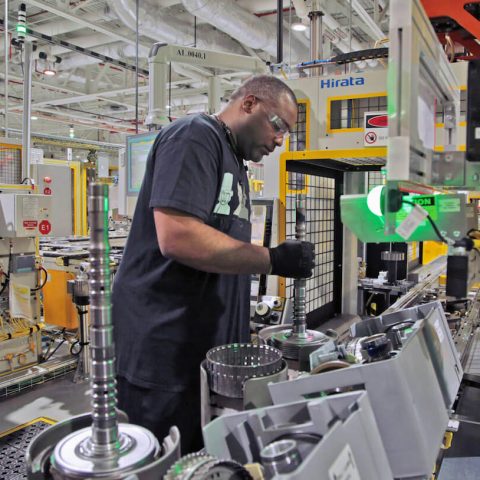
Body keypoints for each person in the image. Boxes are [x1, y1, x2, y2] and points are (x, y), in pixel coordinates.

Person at [112, 74, 315, 453]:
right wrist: (271, 259)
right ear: (249, 103)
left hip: (202, 348)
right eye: (278, 126)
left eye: (286, 133)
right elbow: (178, 236)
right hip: (165, 344)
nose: (278, 140)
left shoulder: (234, 162)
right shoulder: (195, 136)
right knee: (162, 456)